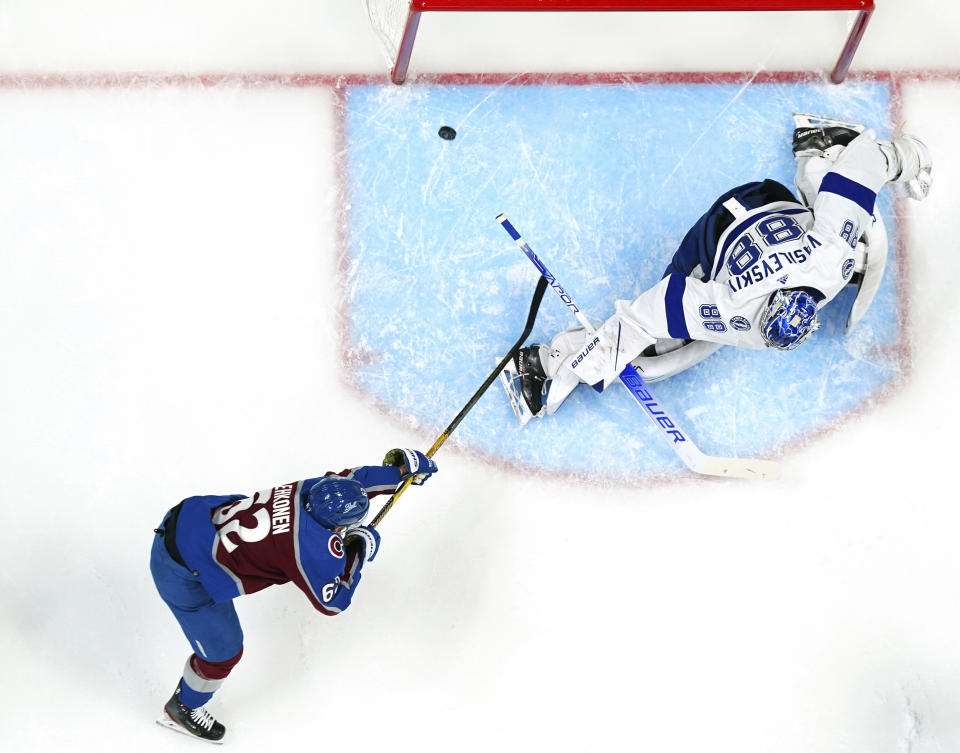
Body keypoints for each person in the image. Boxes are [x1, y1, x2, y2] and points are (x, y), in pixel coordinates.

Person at [502, 113, 932, 425]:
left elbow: (864, 167)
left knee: (849, 218)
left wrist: (907, 155)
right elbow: (646, 314)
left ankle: (819, 147)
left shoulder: (833, 254)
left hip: (764, 196)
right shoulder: (732, 306)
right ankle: (547, 362)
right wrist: (589, 367)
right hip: (713, 234)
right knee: (662, 353)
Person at [150, 447, 438, 743]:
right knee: (224, 653)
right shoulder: (308, 550)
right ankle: (182, 708)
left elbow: (354, 479)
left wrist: (399, 473)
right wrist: (357, 551)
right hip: (179, 574)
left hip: (185, 521)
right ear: (339, 526)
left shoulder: (310, 490)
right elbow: (331, 602)